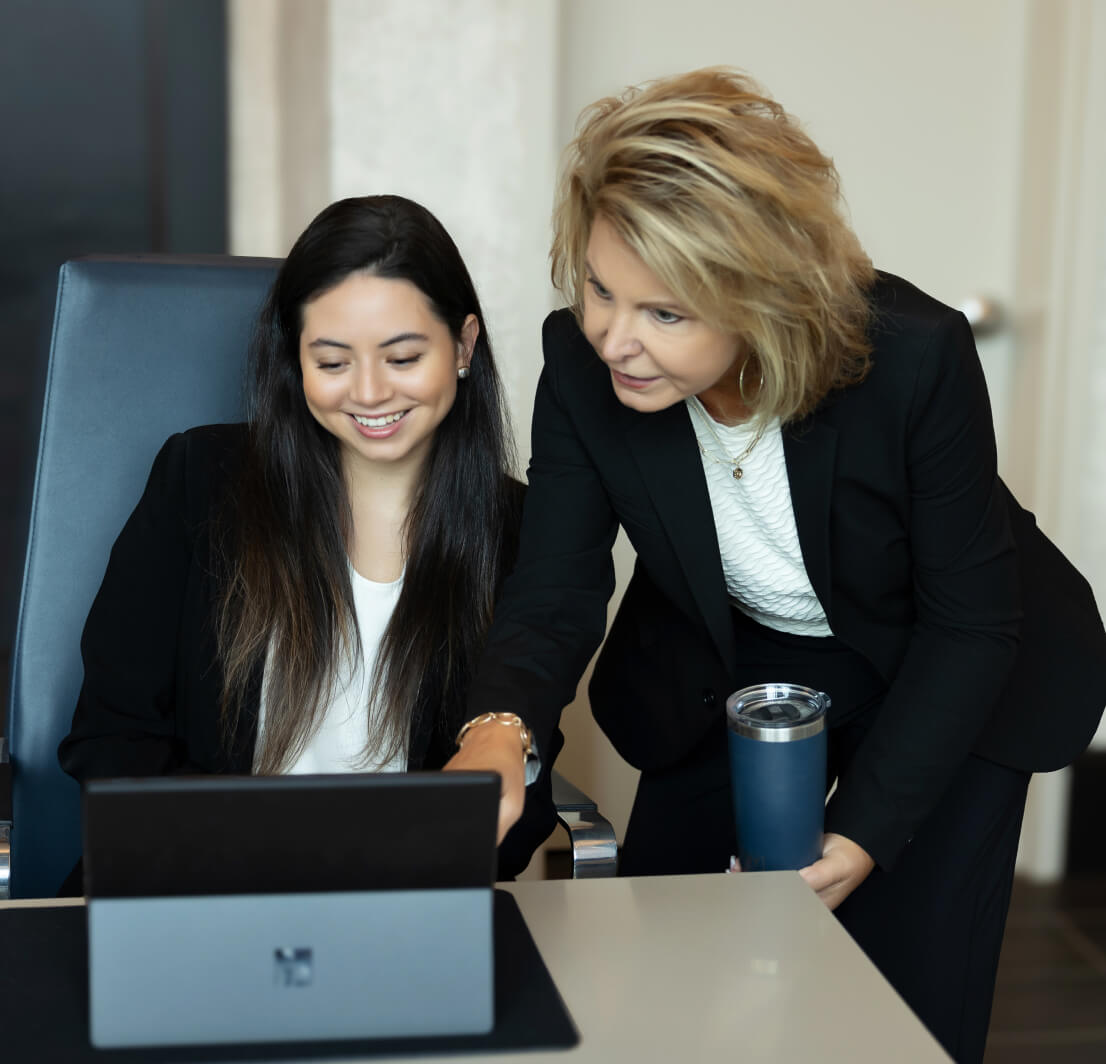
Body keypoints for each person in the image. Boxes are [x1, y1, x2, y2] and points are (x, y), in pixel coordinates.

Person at [449, 69, 1106, 1061]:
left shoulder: (912, 359)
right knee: (670, 980)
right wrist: (496, 729)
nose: (613, 338)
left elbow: (969, 624)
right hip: (732, 655)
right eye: (597, 288)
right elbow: (555, 580)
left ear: (757, 296)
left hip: (943, 658)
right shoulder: (582, 366)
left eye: (664, 313)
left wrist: (859, 834)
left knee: (894, 1008)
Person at [59, 194, 557, 884]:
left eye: (403, 356)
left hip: (402, 909)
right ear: (294, 360)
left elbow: (519, 813)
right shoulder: (199, 481)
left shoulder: (520, 534)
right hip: (192, 891)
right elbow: (110, 743)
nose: (371, 392)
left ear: (464, 346)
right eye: (332, 362)